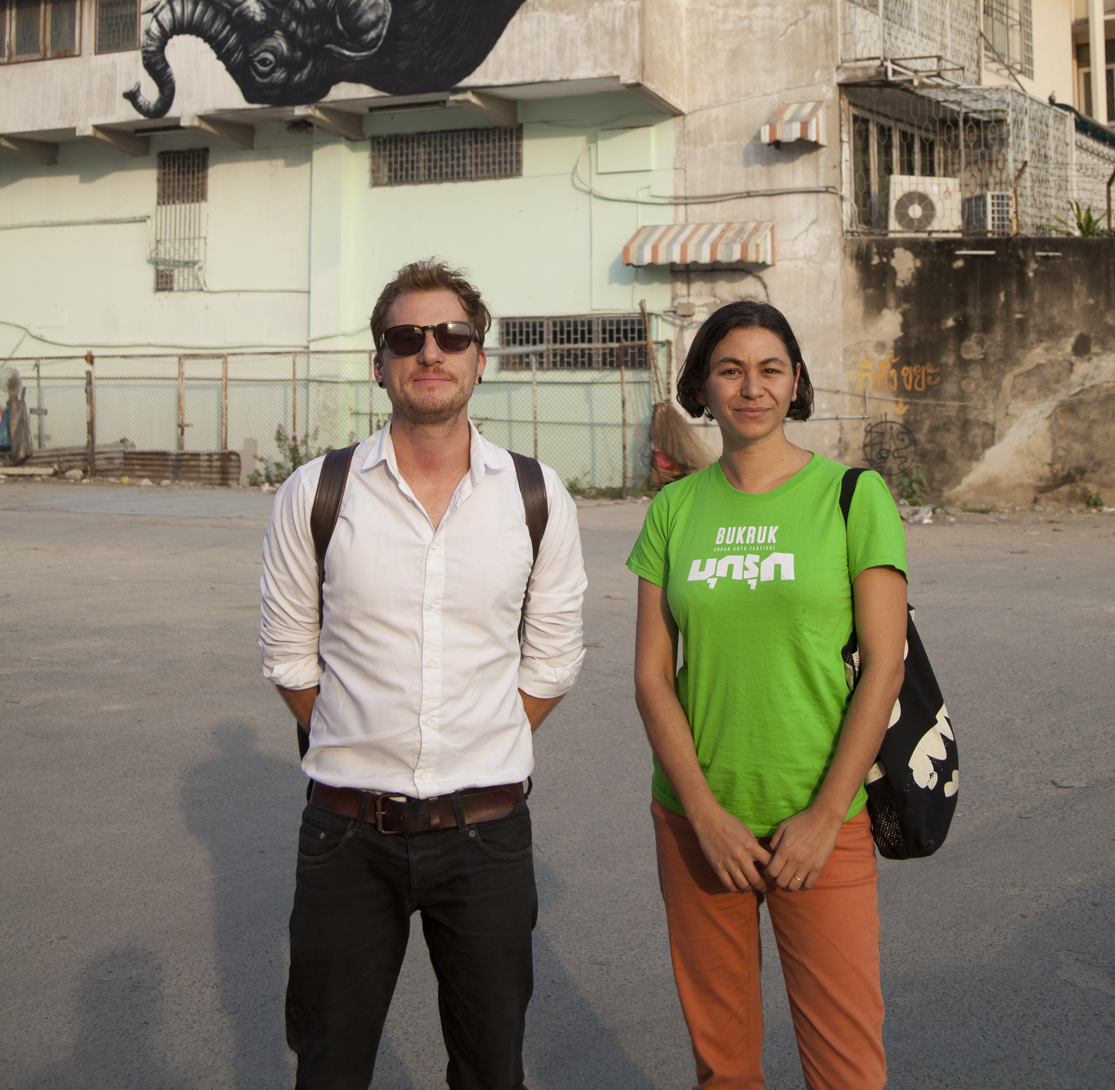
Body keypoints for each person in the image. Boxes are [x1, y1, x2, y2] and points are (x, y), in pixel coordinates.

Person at [260, 258, 587, 1090]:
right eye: (407, 337)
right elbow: (291, 654)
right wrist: (358, 734)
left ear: (482, 359)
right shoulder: (316, 492)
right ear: (379, 363)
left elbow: (553, 657)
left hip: (487, 835)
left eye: (452, 336)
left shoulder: (534, 495)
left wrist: (476, 736)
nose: (430, 352)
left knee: (491, 1069)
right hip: (344, 834)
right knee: (329, 1068)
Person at [627, 300, 908, 1090]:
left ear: (795, 385)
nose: (751, 386)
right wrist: (705, 817)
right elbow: (652, 676)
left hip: (821, 821)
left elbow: (884, 666)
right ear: (704, 388)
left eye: (770, 368)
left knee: (848, 1068)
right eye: (729, 369)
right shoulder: (673, 511)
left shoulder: (855, 497)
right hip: (697, 823)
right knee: (724, 1068)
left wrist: (825, 817)